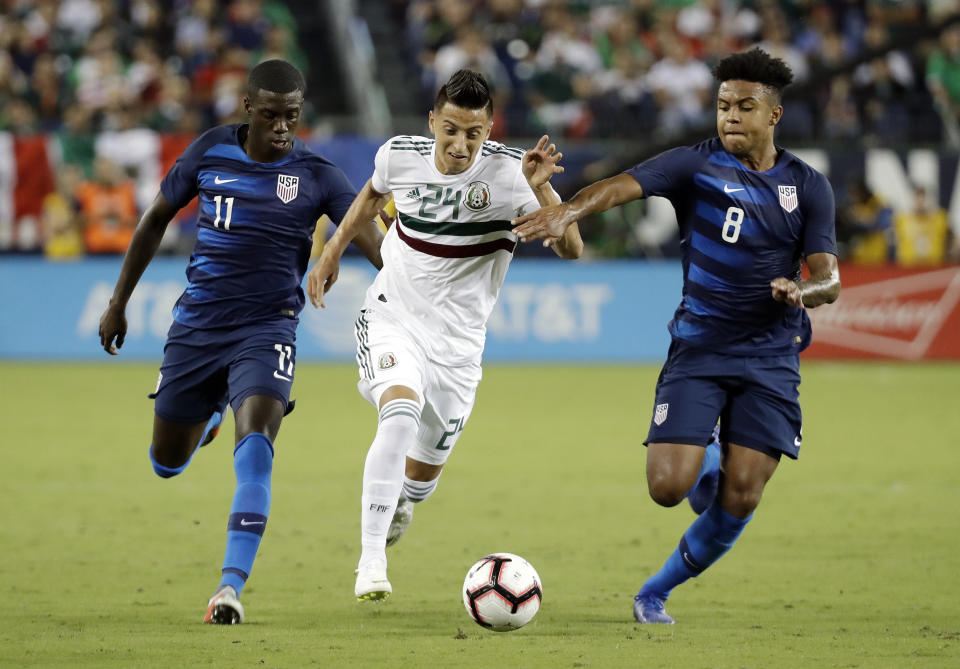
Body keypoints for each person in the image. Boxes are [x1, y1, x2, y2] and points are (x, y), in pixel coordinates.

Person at [512, 48, 840, 624]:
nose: (730, 116)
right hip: (701, 347)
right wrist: (569, 212)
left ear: (774, 115)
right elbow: (619, 185)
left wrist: (801, 291)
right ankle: (709, 440)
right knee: (668, 487)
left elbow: (829, 279)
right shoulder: (695, 166)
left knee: (740, 496)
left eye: (744, 106)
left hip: (771, 356)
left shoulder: (808, 186)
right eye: (722, 106)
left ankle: (654, 593)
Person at [97, 59, 384, 624]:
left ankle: (229, 588)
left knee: (255, 446)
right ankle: (205, 416)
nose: (283, 127)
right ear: (248, 108)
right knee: (165, 463)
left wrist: (411, 282)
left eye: (293, 116)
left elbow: (373, 241)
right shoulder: (209, 151)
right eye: (272, 115)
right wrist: (117, 303)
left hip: (268, 328)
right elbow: (156, 218)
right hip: (198, 330)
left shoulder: (319, 176)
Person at [305, 69, 583, 603]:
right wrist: (330, 253)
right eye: (450, 129)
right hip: (394, 316)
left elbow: (572, 248)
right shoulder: (400, 154)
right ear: (433, 121)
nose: (459, 145)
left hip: (458, 348)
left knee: (422, 480)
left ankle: (404, 499)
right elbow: (368, 198)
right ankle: (370, 562)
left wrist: (542, 185)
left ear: (489, 128)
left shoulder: (512, 175)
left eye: (472, 133)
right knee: (399, 413)